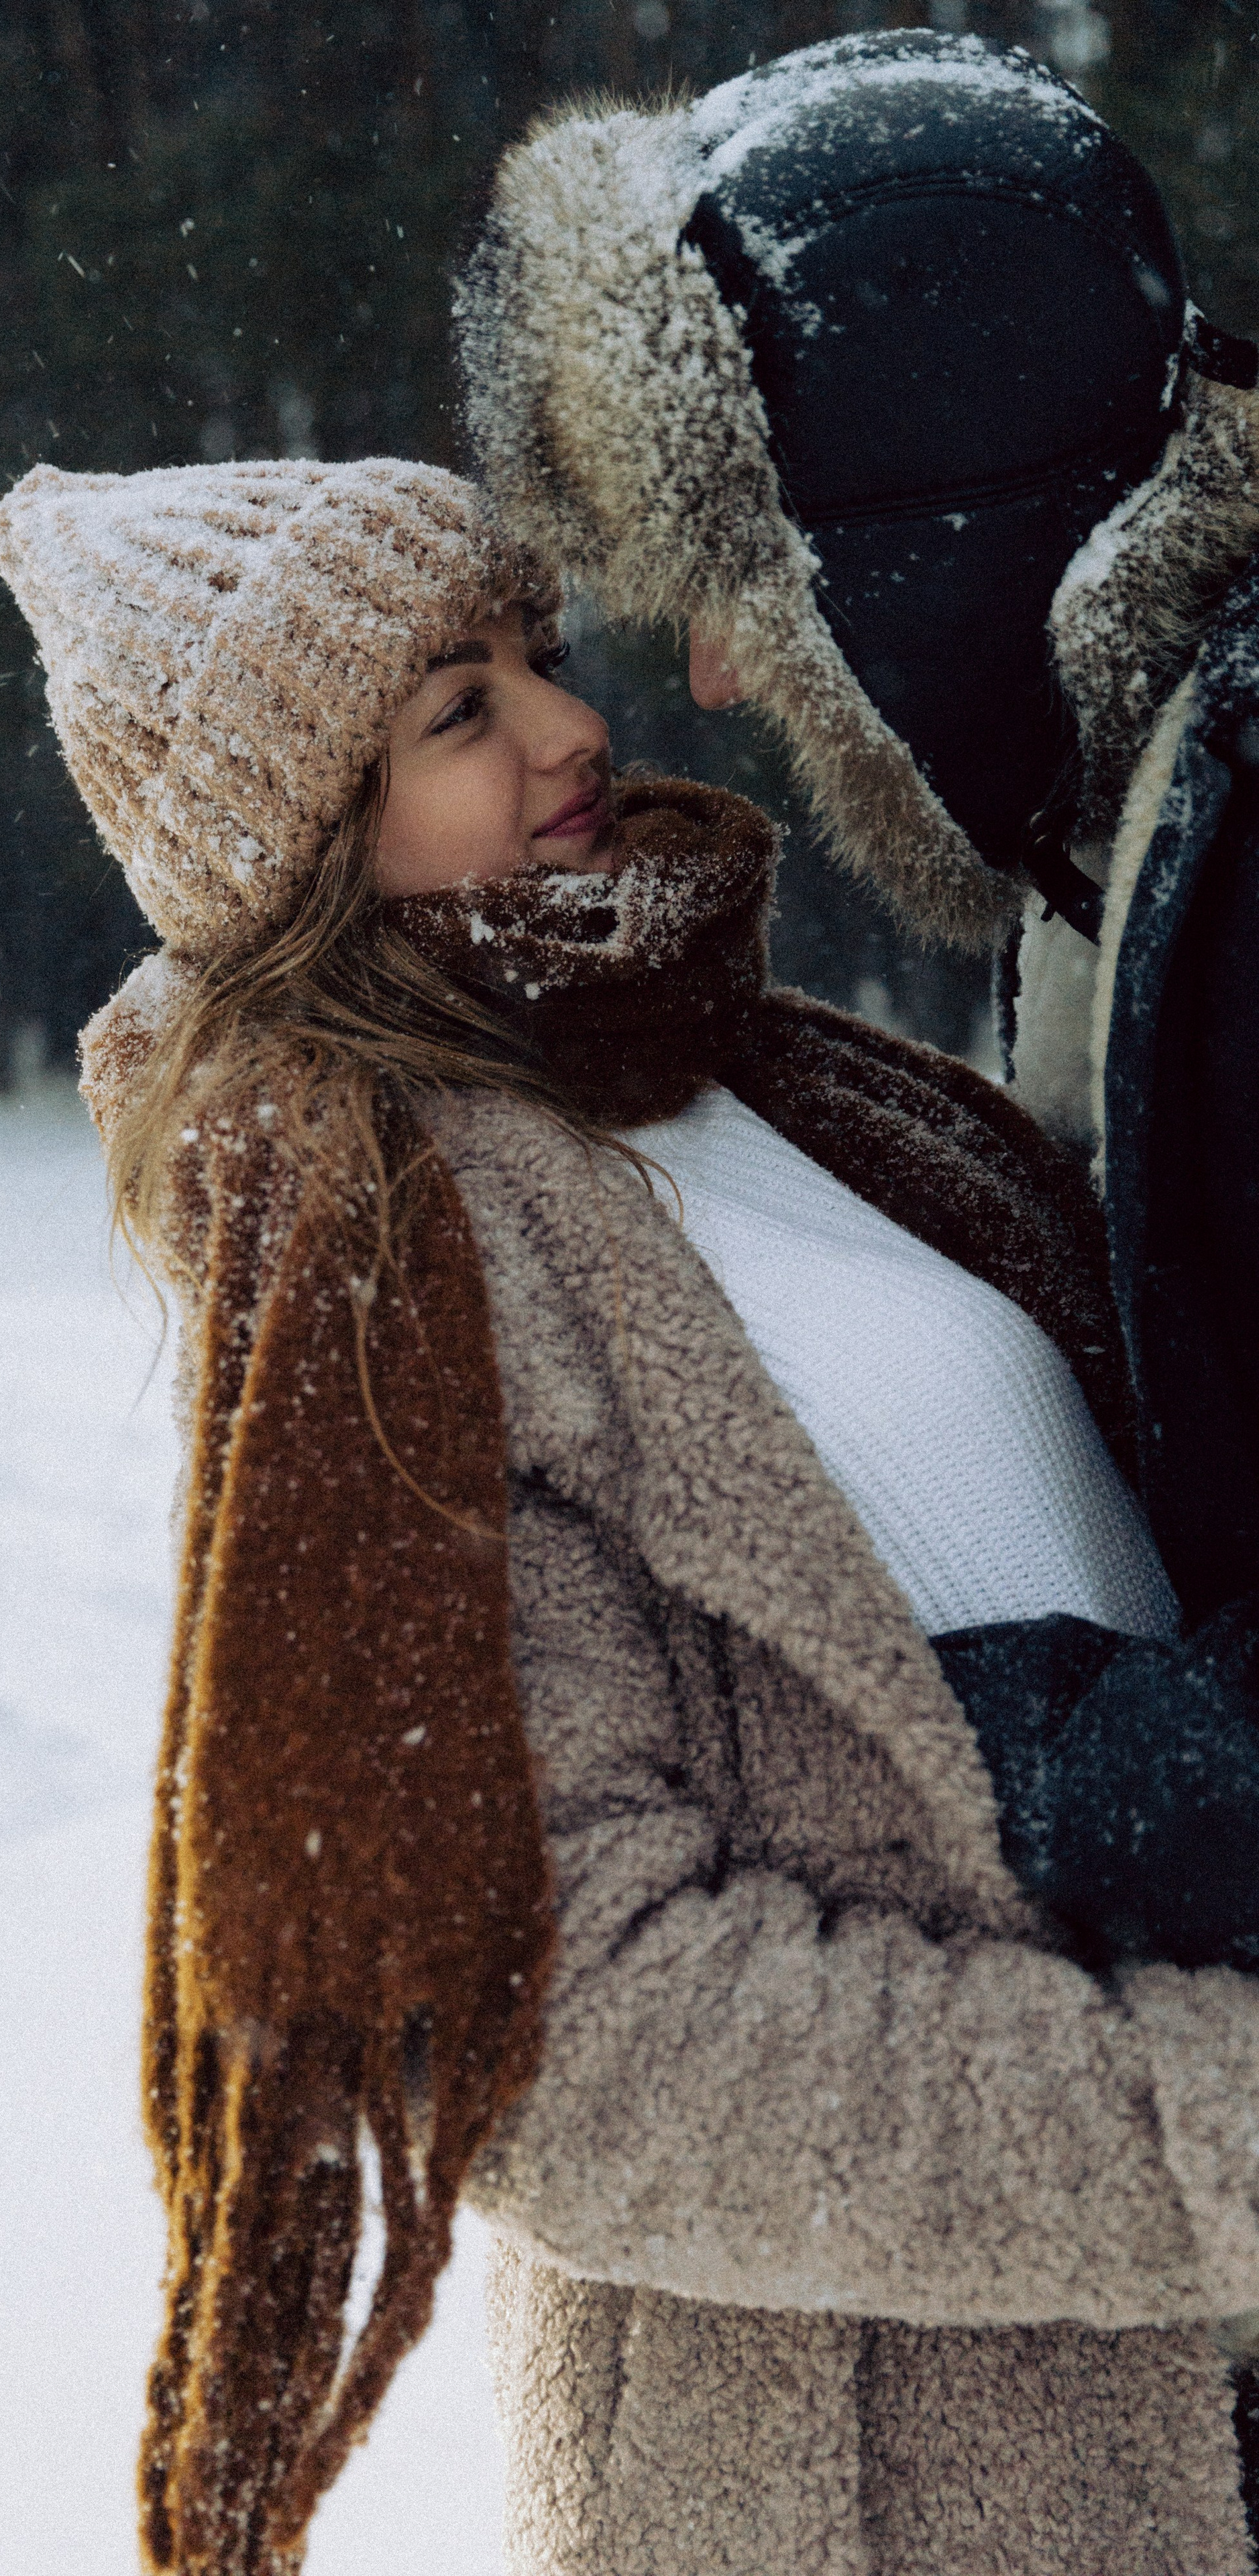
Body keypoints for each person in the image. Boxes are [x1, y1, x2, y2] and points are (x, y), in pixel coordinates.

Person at [0, 454, 1259, 2576]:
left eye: (538, 662)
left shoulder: (767, 1079)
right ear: (301, 838)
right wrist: (1217, 2129)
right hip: (904, 2459)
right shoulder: (381, 1260)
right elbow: (576, 2042)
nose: (573, 732)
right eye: (455, 712)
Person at [456, 21, 1259, 2061]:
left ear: (929, 539)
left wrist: (961, 1747)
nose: (712, 680)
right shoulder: (1127, 833)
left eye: (748, 582)